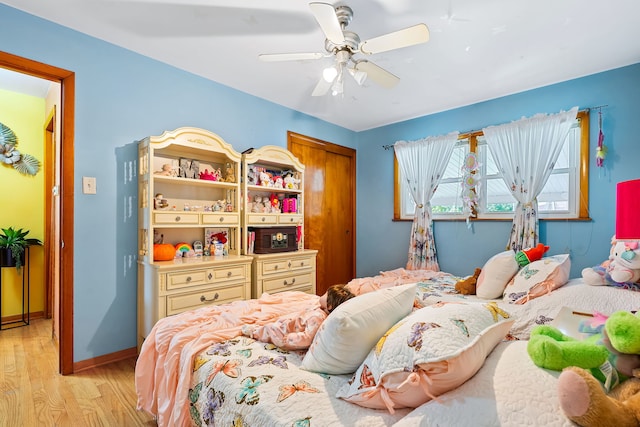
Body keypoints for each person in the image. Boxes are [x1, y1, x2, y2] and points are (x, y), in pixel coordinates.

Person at [242, 284, 355, 350]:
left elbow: (307, 338)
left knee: (270, 329)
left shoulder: (318, 318)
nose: (322, 295)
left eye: (325, 294)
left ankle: (254, 332)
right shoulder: (320, 309)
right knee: (275, 324)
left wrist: (290, 339)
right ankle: (259, 329)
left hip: (288, 333)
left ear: (329, 305)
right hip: (291, 324)